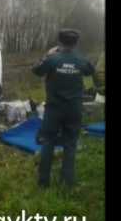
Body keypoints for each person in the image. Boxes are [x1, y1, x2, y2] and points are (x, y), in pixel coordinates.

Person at [32, 29, 95, 188]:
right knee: (70, 144)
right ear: (76, 43)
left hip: (54, 109)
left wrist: (48, 54)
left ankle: (43, 183)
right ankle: (67, 183)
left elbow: (36, 70)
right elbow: (90, 70)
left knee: (48, 142)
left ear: (59, 42)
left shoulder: (53, 59)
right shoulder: (80, 59)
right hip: (74, 109)